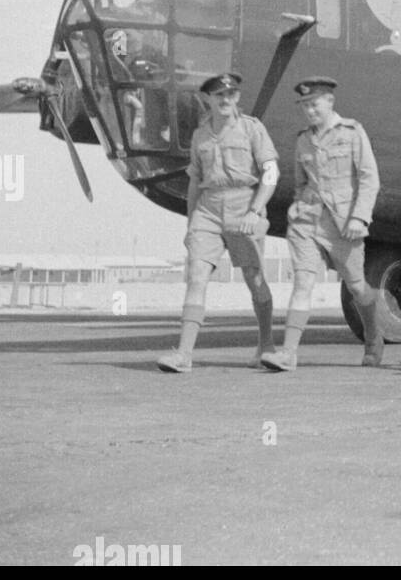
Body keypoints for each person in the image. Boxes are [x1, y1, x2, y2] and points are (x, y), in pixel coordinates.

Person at [260, 77, 384, 372]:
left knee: (357, 287)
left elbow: (369, 178)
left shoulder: (353, 133)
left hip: (343, 223)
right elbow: (301, 183)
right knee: (302, 283)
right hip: (306, 222)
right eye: (304, 106)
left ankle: (373, 336)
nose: (309, 111)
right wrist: (297, 210)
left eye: (313, 104)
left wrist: (359, 217)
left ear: (330, 101)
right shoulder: (303, 139)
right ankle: (288, 354)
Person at [157, 73, 278, 373]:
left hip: (244, 206)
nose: (226, 100)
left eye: (232, 94)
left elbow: (271, 172)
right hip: (208, 210)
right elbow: (195, 182)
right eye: (219, 95)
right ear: (207, 99)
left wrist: (255, 210)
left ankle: (267, 345)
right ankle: (184, 354)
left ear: (237, 97)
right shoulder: (201, 135)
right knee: (197, 277)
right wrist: (191, 224)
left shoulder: (252, 128)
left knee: (255, 278)